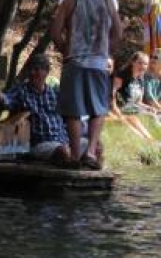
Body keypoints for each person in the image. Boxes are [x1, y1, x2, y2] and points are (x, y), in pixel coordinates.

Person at [51, 0, 122, 170]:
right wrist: (105, 52)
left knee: (73, 110)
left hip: (74, 62)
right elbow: (118, 33)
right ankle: (90, 152)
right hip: (98, 63)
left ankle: (75, 156)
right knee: (98, 108)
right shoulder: (108, 2)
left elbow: (55, 32)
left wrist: (65, 50)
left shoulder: (70, 2)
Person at [0, 53, 83, 164]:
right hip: (40, 144)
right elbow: (4, 101)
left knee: (96, 147)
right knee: (64, 152)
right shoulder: (21, 91)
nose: (33, 73)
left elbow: (69, 118)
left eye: (37, 69)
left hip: (63, 141)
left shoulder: (54, 93)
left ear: (46, 72)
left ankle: (93, 180)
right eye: (31, 69)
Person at [111, 51, 157, 140]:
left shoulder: (140, 79)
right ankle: (149, 140)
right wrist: (115, 109)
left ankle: (151, 139)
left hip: (133, 107)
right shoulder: (122, 75)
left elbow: (138, 102)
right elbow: (112, 92)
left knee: (155, 114)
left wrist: (148, 107)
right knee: (151, 116)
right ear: (133, 62)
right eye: (140, 63)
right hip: (122, 107)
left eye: (145, 64)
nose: (143, 66)